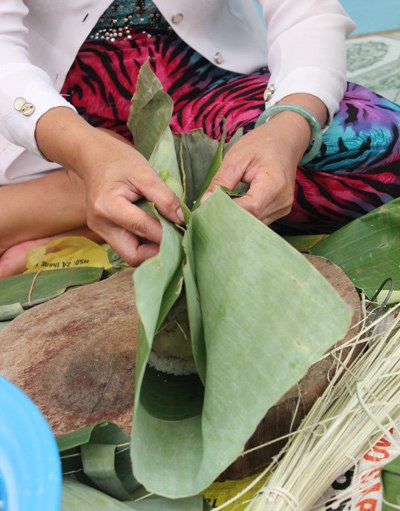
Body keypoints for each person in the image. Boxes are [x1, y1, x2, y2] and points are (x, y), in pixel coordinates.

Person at [0, 0, 399, 278]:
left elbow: (304, 11)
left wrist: (288, 127)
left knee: (382, 149)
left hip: (202, 91)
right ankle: (96, 194)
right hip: (49, 120)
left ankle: (91, 212)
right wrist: (85, 152)